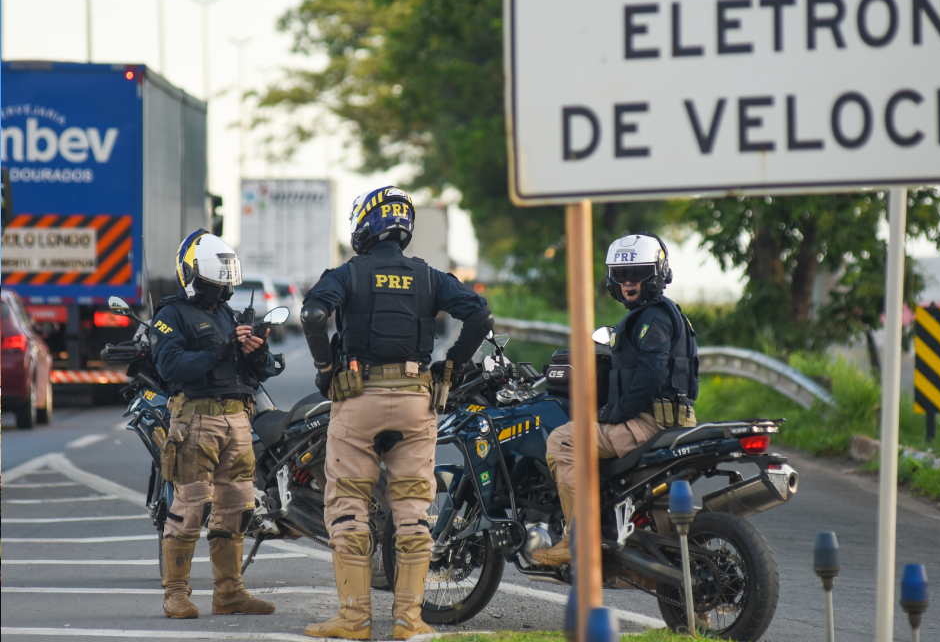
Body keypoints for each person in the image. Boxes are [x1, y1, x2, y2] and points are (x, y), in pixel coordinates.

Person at [301, 186, 493, 640]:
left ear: (365, 225)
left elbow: (311, 315)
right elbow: (480, 316)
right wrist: (451, 364)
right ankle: (409, 620)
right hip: (415, 400)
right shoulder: (428, 276)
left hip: (358, 399)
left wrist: (327, 368)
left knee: (348, 507)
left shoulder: (348, 273)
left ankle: (353, 619)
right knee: (412, 512)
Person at [532, 233, 699, 567]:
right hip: (672, 421)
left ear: (658, 272)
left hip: (648, 422)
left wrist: (617, 411)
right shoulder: (664, 315)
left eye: (637, 273)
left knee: (563, 440)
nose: (628, 283)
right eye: (622, 275)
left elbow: (651, 372)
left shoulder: (653, 318)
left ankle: (577, 540)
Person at [152, 229, 278, 619]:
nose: (222, 292)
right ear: (191, 276)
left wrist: (257, 352)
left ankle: (230, 593)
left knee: (236, 508)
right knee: (189, 507)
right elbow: (171, 366)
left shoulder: (226, 314)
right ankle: (176, 593)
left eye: (225, 285)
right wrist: (222, 348)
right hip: (196, 420)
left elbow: (264, 371)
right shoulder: (170, 315)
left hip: (238, 421)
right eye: (213, 284)